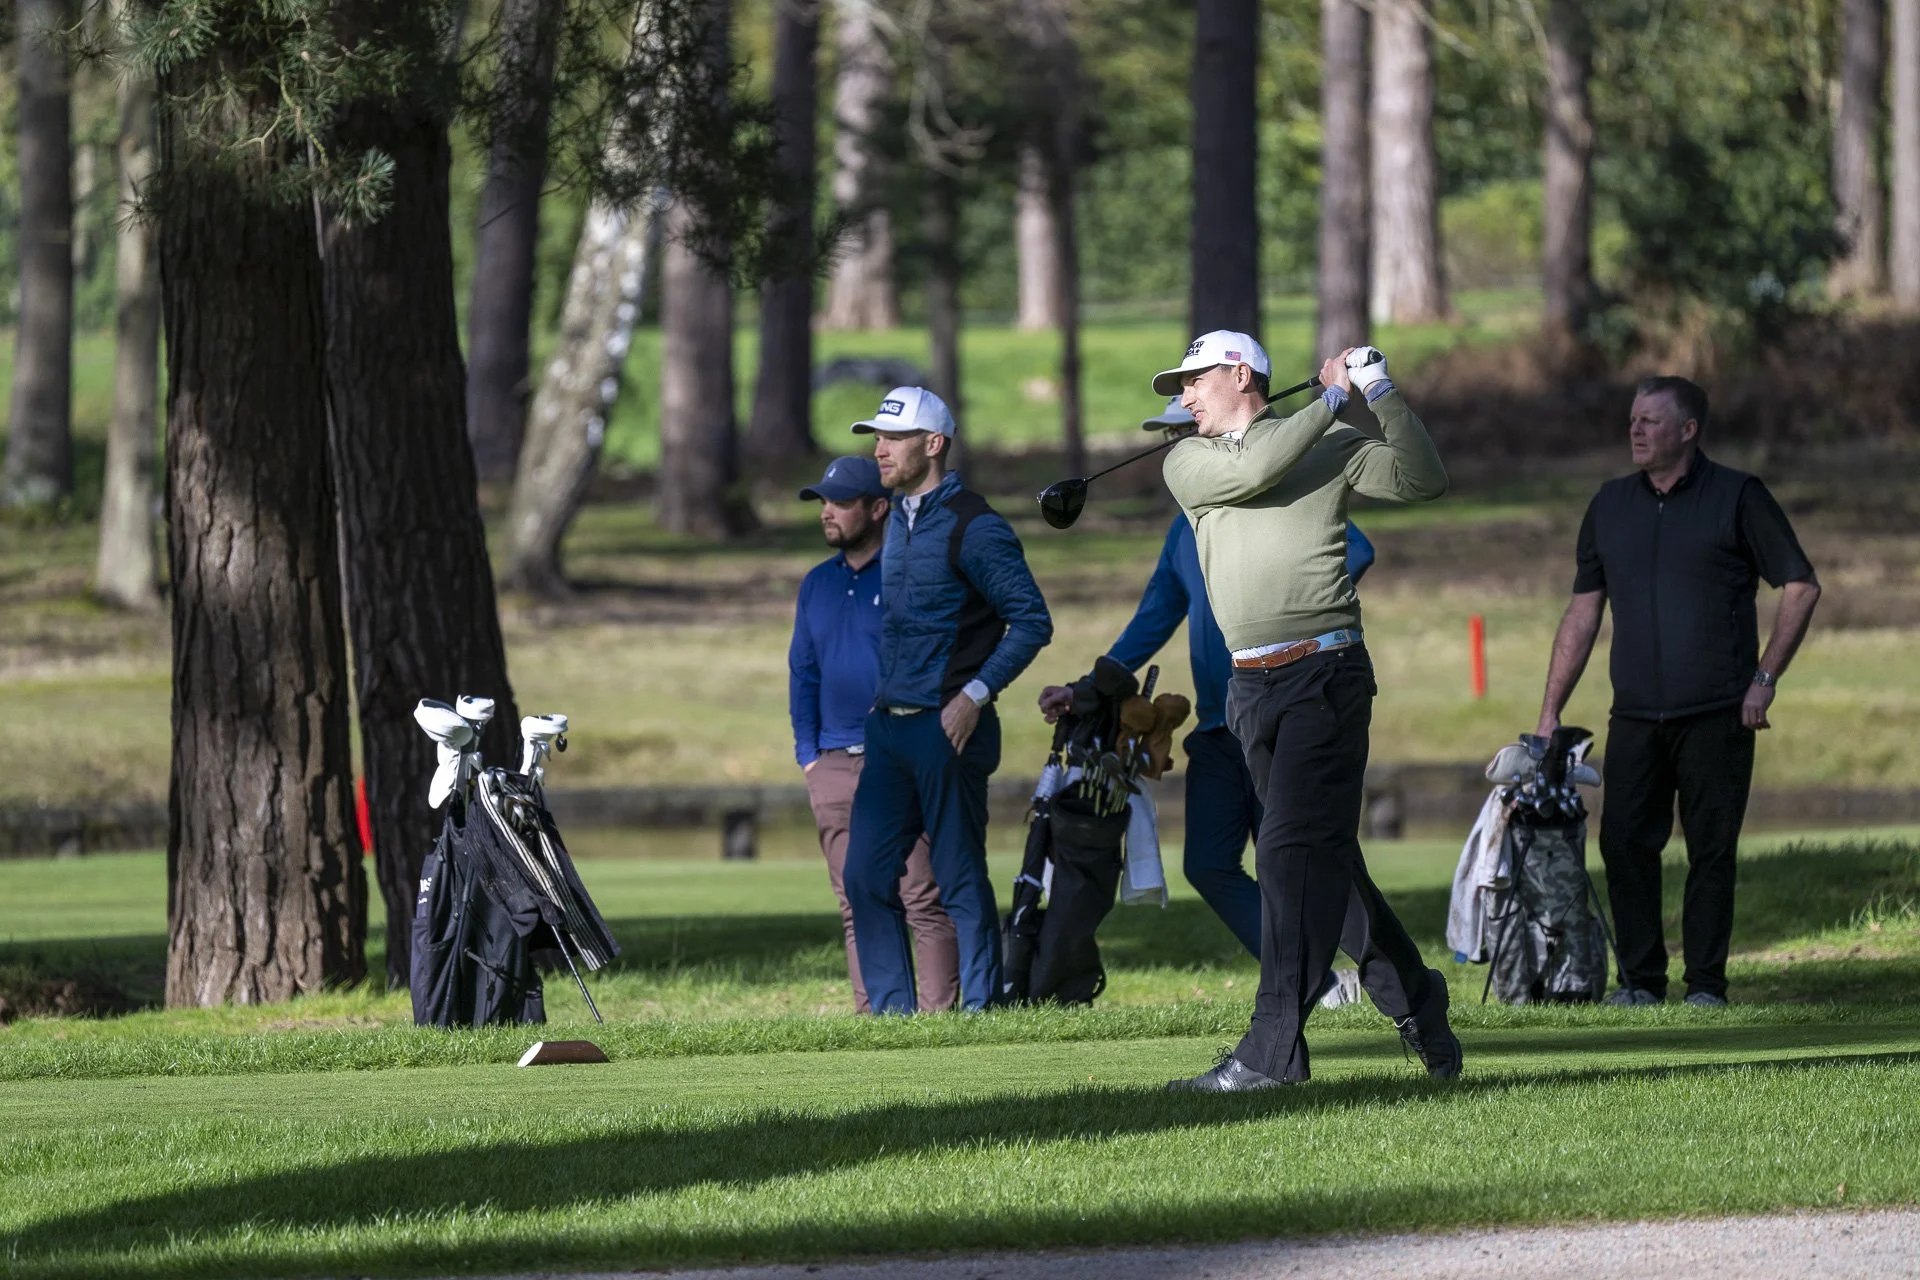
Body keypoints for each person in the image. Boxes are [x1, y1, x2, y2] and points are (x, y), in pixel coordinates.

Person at [1156, 330, 1460, 1091]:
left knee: (1288, 851)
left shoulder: (1328, 448)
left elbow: (1423, 480)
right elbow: (1260, 461)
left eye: (1194, 380)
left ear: (1238, 374)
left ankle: (1271, 1055)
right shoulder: (1187, 463)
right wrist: (1331, 398)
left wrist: (1378, 391)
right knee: (1326, 859)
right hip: (1249, 689)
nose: (1184, 397)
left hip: (1326, 674)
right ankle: (1417, 996)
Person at [1038, 397, 1377, 965]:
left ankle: (1378, 975)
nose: (1175, 447)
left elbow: (1358, 549)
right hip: (1221, 727)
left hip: (1290, 706)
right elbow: (1151, 622)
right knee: (1209, 864)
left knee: (1308, 859)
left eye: (1183, 433)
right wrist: (1086, 689)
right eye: (1170, 438)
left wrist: (1297, 599)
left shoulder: (1273, 498)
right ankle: (1301, 977)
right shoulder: (1181, 533)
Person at [1534, 376, 1820, 1008]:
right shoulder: (1610, 505)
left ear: (1688, 430)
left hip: (1719, 711)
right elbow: (1583, 613)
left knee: (1710, 850)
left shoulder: (1738, 496)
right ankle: (1639, 982)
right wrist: (1551, 710)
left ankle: (1707, 988)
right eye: (1633, 419)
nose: (1636, 430)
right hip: (1635, 713)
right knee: (1624, 845)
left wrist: (1763, 680)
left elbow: (1799, 586)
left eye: (1651, 421)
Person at [841, 387, 1053, 1013]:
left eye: (893, 439)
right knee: (864, 876)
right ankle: (891, 1014)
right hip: (888, 729)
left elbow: (1032, 621)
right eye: (876, 438)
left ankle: (981, 1010)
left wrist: (974, 696)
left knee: (959, 877)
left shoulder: (975, 526)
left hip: (948, 728)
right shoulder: (896, 521)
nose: (879, 450)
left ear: (932, 445)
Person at [789, 455, 961, 1014]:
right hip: (833, 763)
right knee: (855, 901)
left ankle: (939, 1020)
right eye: (823, 503)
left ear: (878, 508)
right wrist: (810, 757)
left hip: (898, 756)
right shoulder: (816, 584)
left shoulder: (907, 572)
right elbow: (803, 672)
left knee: (920, 896)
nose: (828, 514)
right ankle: (877, 1018)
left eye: (840, 503)